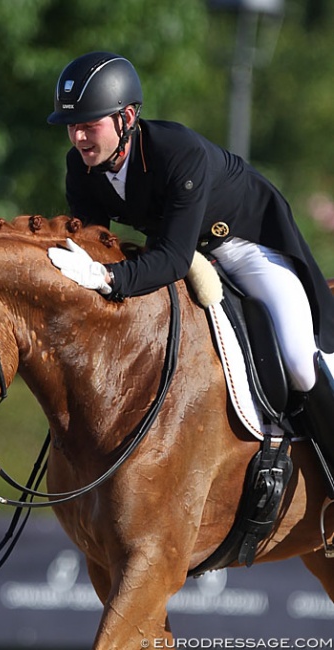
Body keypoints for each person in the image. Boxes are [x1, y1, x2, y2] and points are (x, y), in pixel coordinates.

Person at [46, 50, 334, 493]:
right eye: (72, 125)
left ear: (126, 117)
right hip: (189, 249)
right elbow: (92, 241)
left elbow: (172, 259)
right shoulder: (81, 167)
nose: (79, 136)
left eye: (90, 124)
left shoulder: (177, 153)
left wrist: (109, 279)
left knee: (299, 359)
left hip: (246, 245)